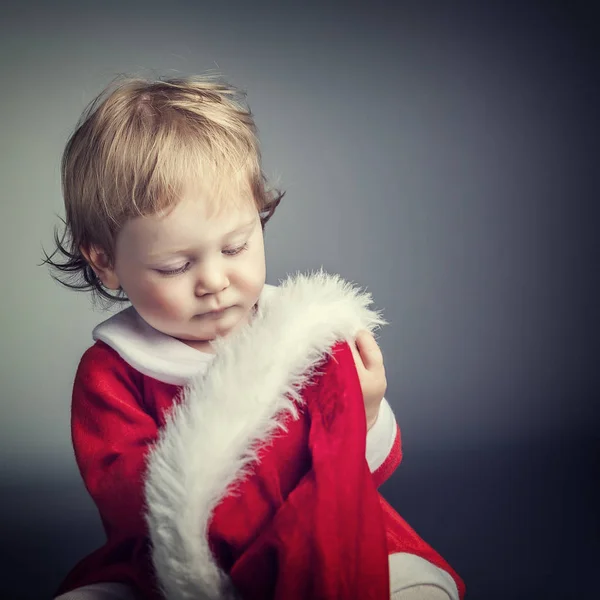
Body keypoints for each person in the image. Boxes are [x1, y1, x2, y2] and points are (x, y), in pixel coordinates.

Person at [44, 75, 465, 600]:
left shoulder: (301, 334)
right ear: (106, 263)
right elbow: (133, 501)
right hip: (177, 557)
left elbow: (358, 474)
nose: (215, 282)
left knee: (408, 581)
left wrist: (370, 410)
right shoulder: (113, 373)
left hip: (326, 532)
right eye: (177, 265)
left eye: (237, 246)